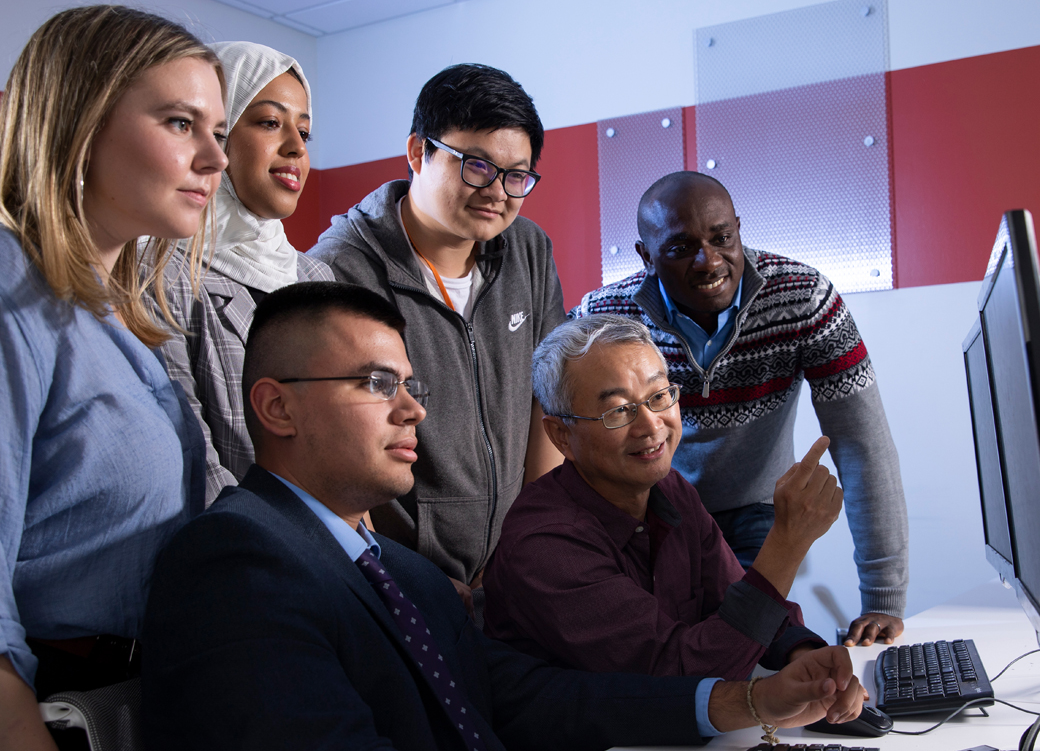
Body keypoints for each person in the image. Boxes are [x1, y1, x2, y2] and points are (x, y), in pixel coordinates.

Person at [141, 281, 867, 750]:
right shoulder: (235, 561)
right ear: (276, 406)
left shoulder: (408, 576)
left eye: (411, 384)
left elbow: (536, 701)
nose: (413, 409)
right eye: (375, 383)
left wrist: (751, 698)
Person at [0, 6, 226, 751]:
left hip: (120, 697)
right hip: (30, 707)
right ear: (80, 119)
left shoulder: (107, 311)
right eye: (179, 123)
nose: (215, 159)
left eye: (218, 132)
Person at [572, 171, 909, 647]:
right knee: (658, 649)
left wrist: (881, 597)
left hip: (755, 508)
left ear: (738, 229)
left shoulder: (803, 299)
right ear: (646, 257)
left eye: (722, 237)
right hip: (648, 509)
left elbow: (861, 445)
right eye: (681, 247)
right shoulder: (602, 318)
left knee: (747, 642)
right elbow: (566, 440)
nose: (709, 261)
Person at [308, 63, 566, 609]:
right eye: (477, 166)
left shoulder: (528, 251)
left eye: (516, 175)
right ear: (417, 152)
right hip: (401, 580)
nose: (497, 192)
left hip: (511, 573)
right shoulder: (340, 269)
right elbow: (333, 445)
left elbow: (548, 395)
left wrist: (536, 542)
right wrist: (392, 574)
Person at [484, 314, 836, 680]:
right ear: (560, 436)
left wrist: (802, 653)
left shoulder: (670, 491)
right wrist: (788, 542)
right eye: (619, 410)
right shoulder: (545, 544)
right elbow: (681, 675)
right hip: (591, 737)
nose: (651, 425)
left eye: (658, 396)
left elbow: (735, 601)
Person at [151, 40, 332, 506]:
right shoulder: (161, 271)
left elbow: (348, 443)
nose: (295, 147)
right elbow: (192, 458)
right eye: (271, 123)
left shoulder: (318, 278)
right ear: (218, 131)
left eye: (305, 133)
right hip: (245, 552)